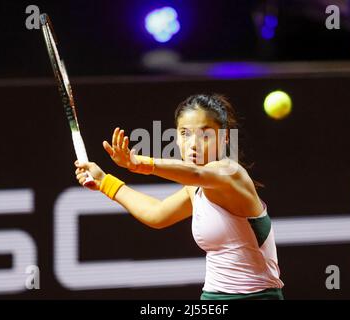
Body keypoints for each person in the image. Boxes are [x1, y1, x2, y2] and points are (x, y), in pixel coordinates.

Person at [74, 94, 284, 300]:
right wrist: (105, 182)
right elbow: (157, 214)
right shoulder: (194, 190)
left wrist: (138, 164)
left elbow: (197, 173)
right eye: (185, 133)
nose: (194, 144)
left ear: (225, 137)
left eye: (205, 135)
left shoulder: (231, 172)